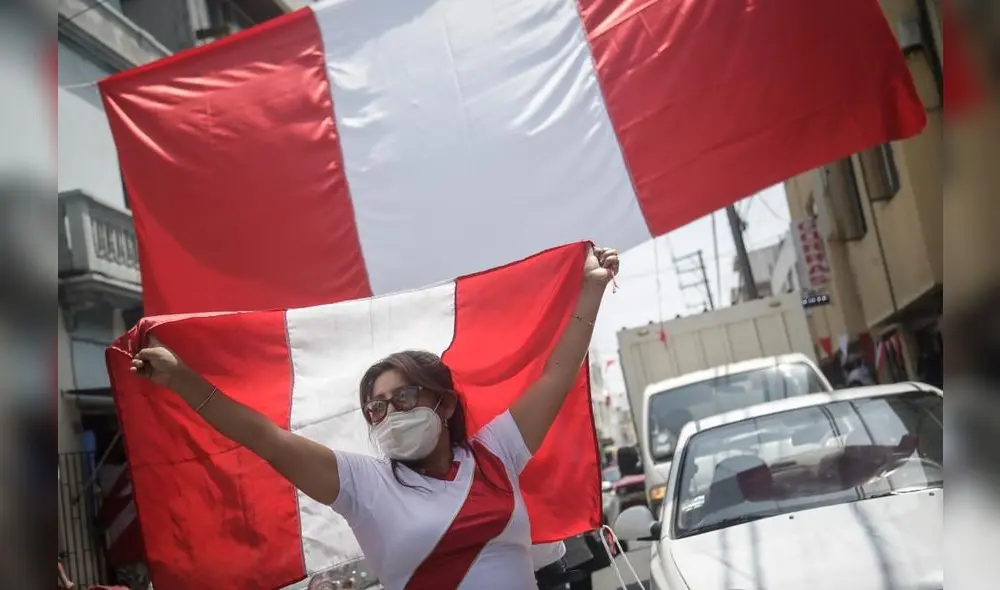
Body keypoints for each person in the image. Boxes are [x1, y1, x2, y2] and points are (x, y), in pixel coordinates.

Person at [128, 246, 619, 590]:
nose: (389, 414)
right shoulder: (363, 484)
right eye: (376, 407)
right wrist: (182, 380)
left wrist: (592, 289)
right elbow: (265, 438)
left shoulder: (497, 453)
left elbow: (556, 376)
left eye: (403, 397)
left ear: (445, 404)